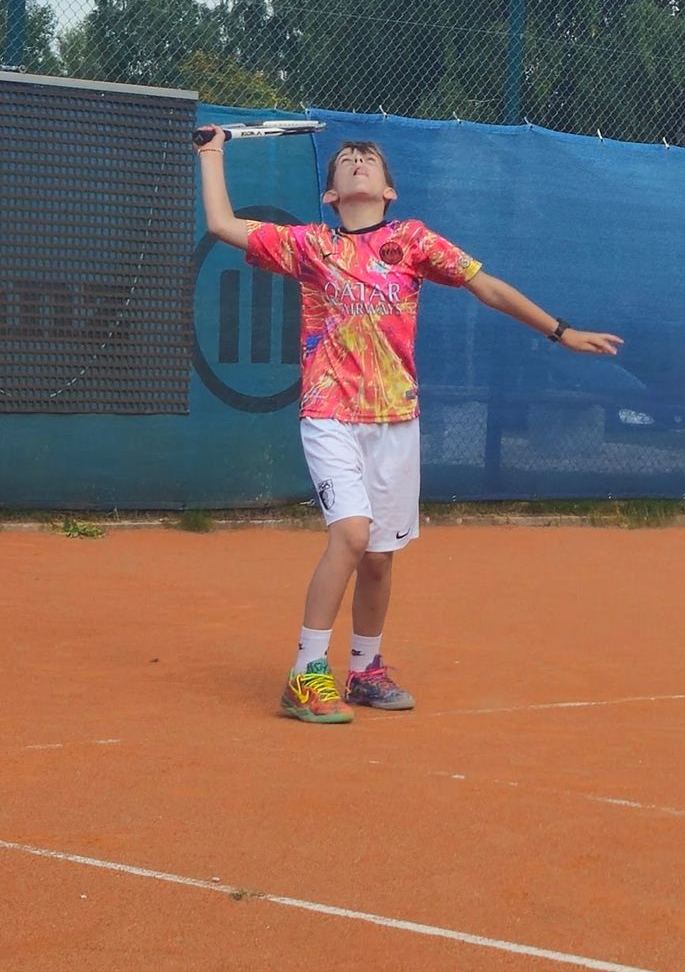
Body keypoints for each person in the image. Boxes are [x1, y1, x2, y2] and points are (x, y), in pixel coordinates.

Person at [195, 131, 622, 723]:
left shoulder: (412, 240)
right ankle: (305, 673)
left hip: (396, 418)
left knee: (379, 556)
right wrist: (210, 152)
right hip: (330, 413)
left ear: (389, 189)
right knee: (349, 535)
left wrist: (560, 331)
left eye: (369, 160)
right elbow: (221, 223)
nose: (358, 163)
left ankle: (365, 670)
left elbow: (487, 286)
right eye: (347, 161)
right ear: (331, 194)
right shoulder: (311, 245)